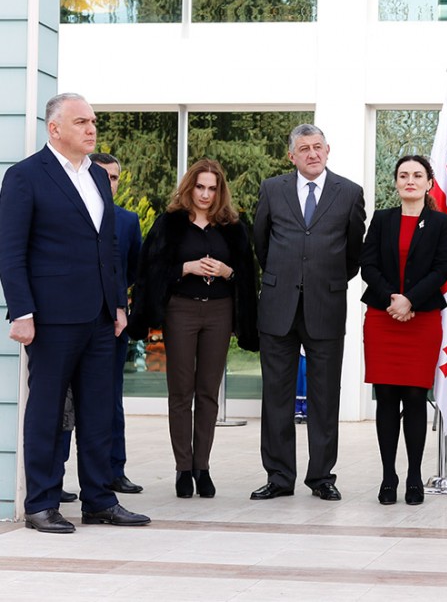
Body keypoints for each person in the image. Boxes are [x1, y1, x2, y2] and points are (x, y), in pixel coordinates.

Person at [0, 93, 149, 533]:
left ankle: (99, 498)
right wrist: (21, 311)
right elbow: (10, 252)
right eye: (81, 122)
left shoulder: (98, 178)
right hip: (51, 317)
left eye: (94, 122)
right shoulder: (25, 177)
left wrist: (119, 303)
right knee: (47, 411)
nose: (91, 129)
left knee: (99, 410)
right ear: (55, 129)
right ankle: (41, 504)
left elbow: (108, 247)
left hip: (102, 316)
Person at [128, 158, 258, 498]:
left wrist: (228, 272)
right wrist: (184, 267)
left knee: (208, 393)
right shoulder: (170, 223)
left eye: (212, 188)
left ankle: (203, 467)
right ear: (190, 187)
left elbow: (250, 274)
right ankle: (183, 469)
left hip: (220, 312)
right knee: (181, 391)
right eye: (200, 186)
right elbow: (149, 269)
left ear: (220, 191)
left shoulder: (232, 226)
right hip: (180, 311)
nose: (205, 194)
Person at [252, 124, 366, 501]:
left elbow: (353, 255)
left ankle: (322, 477)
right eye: (304, 149)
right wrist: (285, 278)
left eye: (318, 147)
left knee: (324, 396)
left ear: (328, 149)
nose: (312, 154)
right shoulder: (272, 189)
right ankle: (279, 476)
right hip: (278, 306)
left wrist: (325, 280)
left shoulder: (349, 193)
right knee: (277, 397)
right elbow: (261, 244)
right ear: (292, 156)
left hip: (326, 305)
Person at [360, 155, 447, 506]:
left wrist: (410, 300)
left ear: (429, 183)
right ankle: (389, 476)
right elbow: (366, 264)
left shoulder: (441, 223)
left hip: (422, 318)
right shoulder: (382, 220)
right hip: (383, 317)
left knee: (415, 398)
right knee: (385, 397)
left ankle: (414, 476)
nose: (410, 180)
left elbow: (441, 270)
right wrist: (392, 299)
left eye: (417, 175)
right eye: (403, 175)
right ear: (396, 183)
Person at [90, 152, 144, 494]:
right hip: (71, 321)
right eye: (103, 176)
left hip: (113, 324)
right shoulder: (69, 215)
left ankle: (114, 470)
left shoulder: (127, 221)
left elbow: (134, 270)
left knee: (111, 399)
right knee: (65, 403)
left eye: (114, 178)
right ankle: (60, 473)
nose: (109, 183)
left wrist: (122, 307)